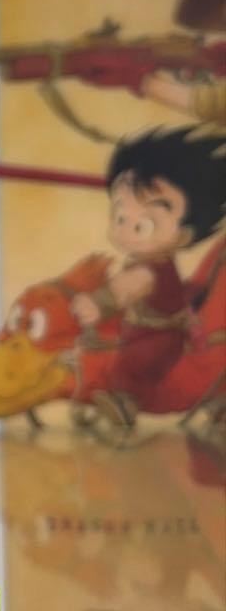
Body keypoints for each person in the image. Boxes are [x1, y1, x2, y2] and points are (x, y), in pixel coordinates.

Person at [70, 126, 226, 423]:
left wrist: (97, 304)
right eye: (120, 216)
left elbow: (126, 288)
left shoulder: (148, 270)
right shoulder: (152, 261)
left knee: (131, 361)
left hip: (158, 336)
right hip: (153, 326)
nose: (126, 230)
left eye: (143, 225)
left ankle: (126, 401)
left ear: (184, 235)